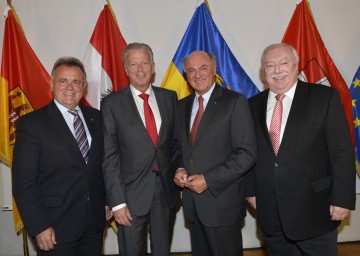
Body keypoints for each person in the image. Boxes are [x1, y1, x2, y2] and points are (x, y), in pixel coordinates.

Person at [246, 43, 356, 256]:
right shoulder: (251, 105)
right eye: (270, 65)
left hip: (315, 211)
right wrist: (250, 191)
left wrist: (342, 199)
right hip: (271, 213)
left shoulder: (324, 97)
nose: (277, 70)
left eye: (283, 63)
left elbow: (341, 152)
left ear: (296, 66)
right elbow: (250, 152)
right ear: (263, 71)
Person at [12, 57, 109, 256]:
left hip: (94, 223)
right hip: (55, 226)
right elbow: (24, 184)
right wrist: (39, 226)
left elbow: (102, 166)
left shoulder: (97, 118)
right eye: (63, 81)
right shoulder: (32, 124)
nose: (70, 87)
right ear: (52, 83)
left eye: (76, 82)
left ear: (84, 86)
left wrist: (106, 201)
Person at [101, 42, 183, 256]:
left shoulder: (169, 98)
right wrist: (117, 203)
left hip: (165, 192)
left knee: (162, 251)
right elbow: (109, 157)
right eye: (134, 64)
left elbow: (175, 144)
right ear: (126, 70)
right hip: (129, 195)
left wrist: (180, 169)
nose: (140, 69)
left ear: (153, 66)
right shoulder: (111, 104)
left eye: (144, 63)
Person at [174, 50, 257, 256]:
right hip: (193, 206)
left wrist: (209, 180)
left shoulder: (235, 102)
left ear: (214, 69)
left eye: (203, 68)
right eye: (191, 70)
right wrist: (179, 167)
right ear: (185, 74)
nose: (197, 74)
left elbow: (246, 153)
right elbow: (176, 145)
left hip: (222, 205)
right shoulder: (181, 106)